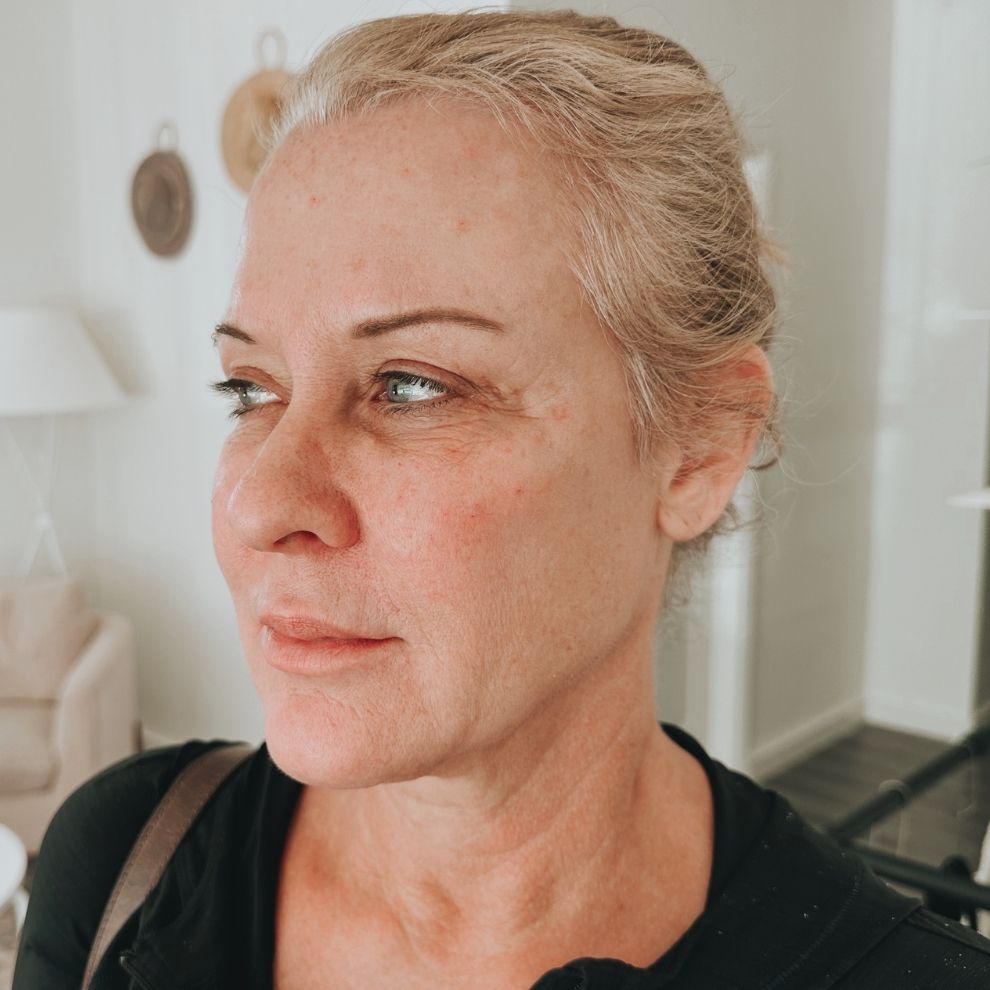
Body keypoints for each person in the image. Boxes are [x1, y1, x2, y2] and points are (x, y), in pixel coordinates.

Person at [13, 9, 990, 989]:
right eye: (250, 390)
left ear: (698, 449)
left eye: (411, 386)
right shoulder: (121, 862)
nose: (258, 504)